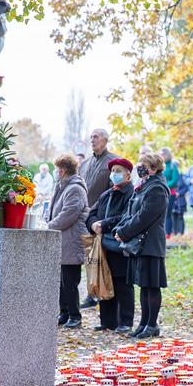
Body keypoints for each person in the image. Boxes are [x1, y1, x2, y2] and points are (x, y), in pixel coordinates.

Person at [114, 153, 170, 339]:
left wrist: (124, 233)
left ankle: (152, 324)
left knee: (152, 286)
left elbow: (144, 216)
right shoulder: (145, 186)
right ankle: (144, 323)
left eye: (143, 165)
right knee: (144, 286)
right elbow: (132, 213)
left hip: (151, 243)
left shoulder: (157, 188)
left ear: (153, 168)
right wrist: (121, 228)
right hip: (141, 244)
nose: (139, 167)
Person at [86, 158, 135, 333]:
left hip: (119, 244)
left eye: (118, 171)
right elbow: (91, 213)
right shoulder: (106, 194)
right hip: (102, 244)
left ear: (128, 174)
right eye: (113, 170)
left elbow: (125, 216)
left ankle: (125, 321)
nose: (114, 174)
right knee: (104, 281)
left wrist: (104, 224)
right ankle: (107, 321)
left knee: (122, 283)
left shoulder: (131, 193)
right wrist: (93, 225)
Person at [46, 154, 90, 329]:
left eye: (57, 169)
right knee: (61, 281)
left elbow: (68, 214)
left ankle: (74, 315)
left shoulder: (75, 188)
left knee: (70, 281)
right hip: (63, 240)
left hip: (71, 240)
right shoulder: (63, 186)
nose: (56, 172)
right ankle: (64, 312)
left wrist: (48, 226)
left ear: (62, 170)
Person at [78, 128, 119, 310]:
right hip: (86, 217)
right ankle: (91, 293)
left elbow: (115, 190)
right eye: (91, 137)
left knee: (104, 259)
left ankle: (107, 294)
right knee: (90, 257)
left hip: (103, 218)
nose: (92, 140)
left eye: (96, 137)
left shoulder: (113, 162)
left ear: (105, 140)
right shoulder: (85, 163)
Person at [160, 148, 180, 237]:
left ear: (167, 155)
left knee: (168, 212)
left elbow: (175, 180)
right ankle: (161, 232)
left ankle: (168, 233)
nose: (162, 156)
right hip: (159, 192)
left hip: (170, 193)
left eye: (163, 154)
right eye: (160, 154)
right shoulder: (159, 166)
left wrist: (165, 186)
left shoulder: (173, 165)